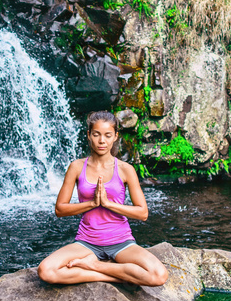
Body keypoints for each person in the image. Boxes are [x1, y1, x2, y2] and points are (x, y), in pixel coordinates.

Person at [37, 111, 169, 287]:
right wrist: (92, 203)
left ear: (115, 137)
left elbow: (143, 213)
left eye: (107, 135)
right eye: (96, 134)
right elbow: (60, 209)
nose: (102, 141)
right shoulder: (76, 167)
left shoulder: (125, 169)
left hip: (122, 243)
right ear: (89, 135)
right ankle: (115, 275)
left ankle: (94, 266)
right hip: (87, 243)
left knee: (158, 275)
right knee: (46, 271)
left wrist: (108, 204)